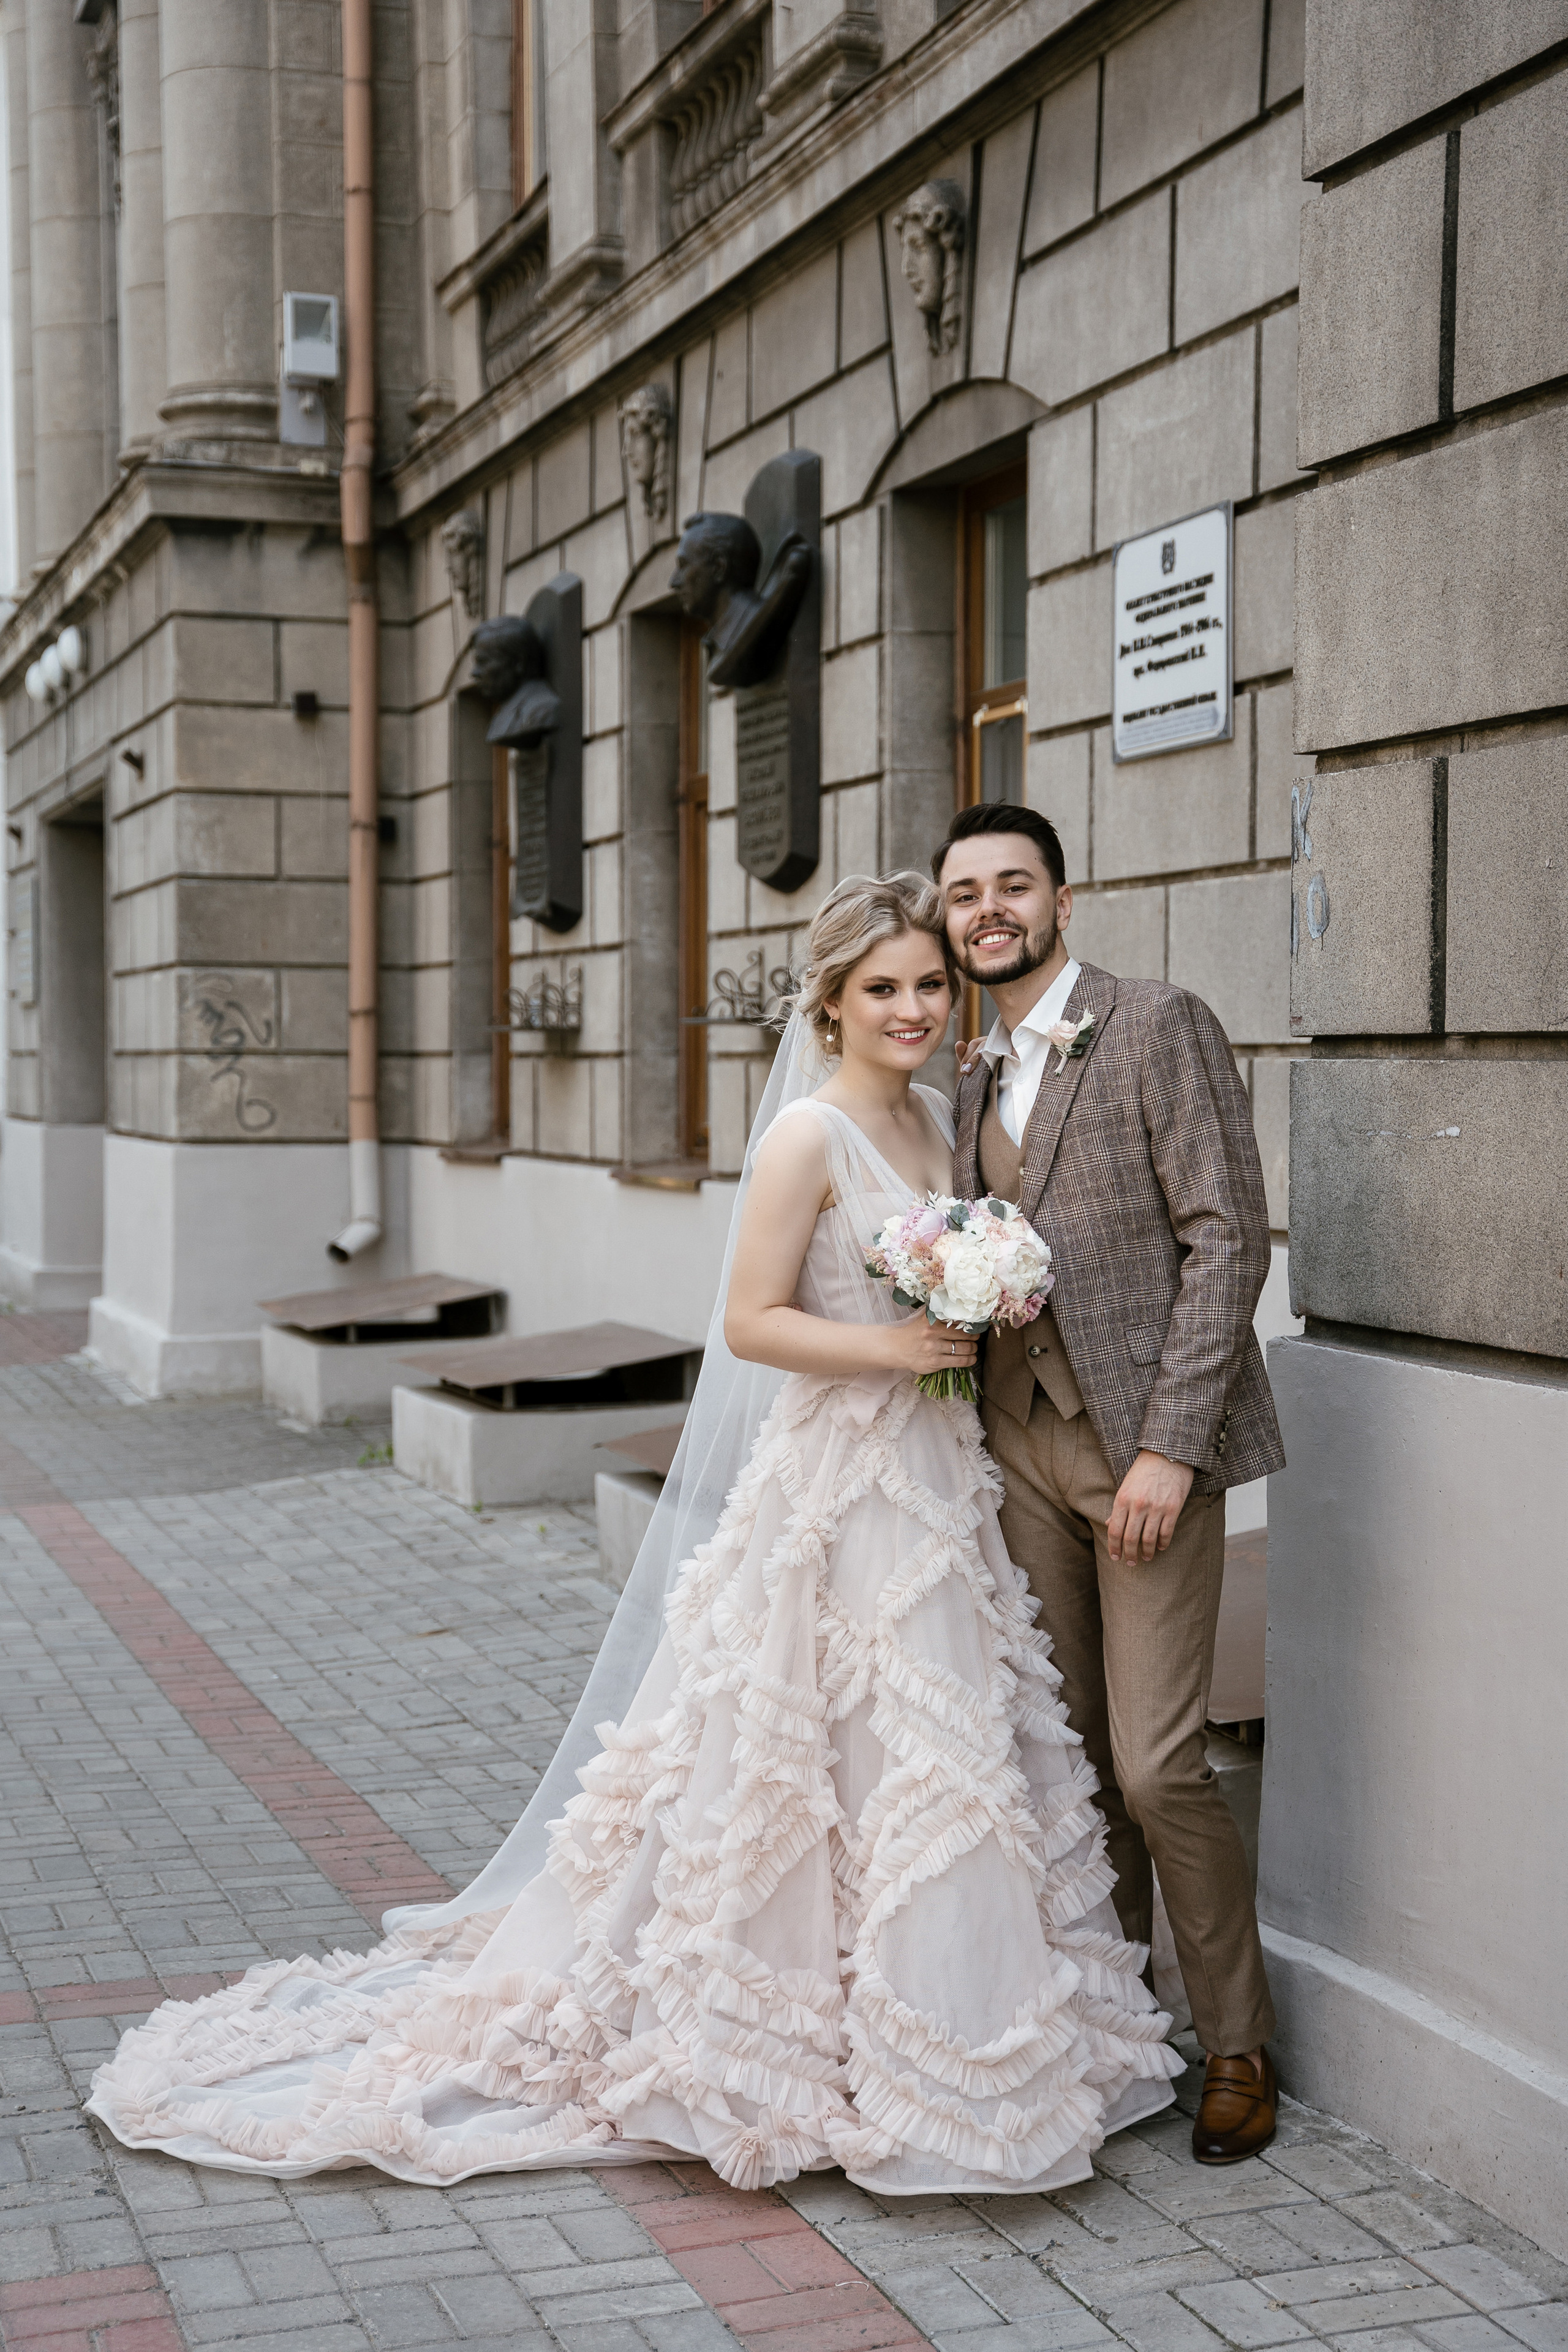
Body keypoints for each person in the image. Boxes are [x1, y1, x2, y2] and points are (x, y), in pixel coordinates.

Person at [86, 873, 1179, 2194]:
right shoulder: (808, 1137)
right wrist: (893, 1348)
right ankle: (790, 2036)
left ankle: (943, 2023)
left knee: (931, 1745)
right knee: (804, 1751)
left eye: (929, 985)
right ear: (830, 1005)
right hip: (840, 1482)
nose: (912, 1008)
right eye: (881, 989)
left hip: (941, 1476)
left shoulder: (941, 1116)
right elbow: (750, 1322)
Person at [937, 800, 1284, 2165]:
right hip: (1017, 1448)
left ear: (1061, 902)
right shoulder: (968, 1074)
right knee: (1074, 1760)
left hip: (1142, 1455)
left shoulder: (1154, 1024)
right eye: (965, 892)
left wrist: (1168, 1449)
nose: (988, 911)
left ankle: (1236, 2042)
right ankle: (1123, 2031)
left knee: (1155, 1766)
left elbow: (1227, 1239)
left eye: (1012, 886)